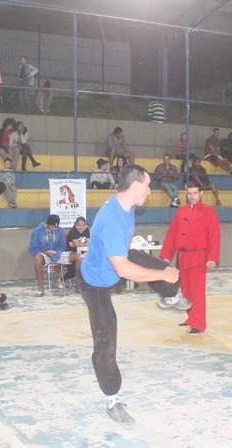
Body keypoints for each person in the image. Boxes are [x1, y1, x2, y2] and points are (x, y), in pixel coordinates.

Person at [79, 164, 189, 425]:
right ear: (136, 185)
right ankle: (112, 399)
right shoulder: (112, 219)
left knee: (164, 268)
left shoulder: (126, 208)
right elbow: (125, 269)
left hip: (115, 263)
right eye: (148, 185)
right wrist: (161, 276)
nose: (150, 191)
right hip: (95, 283)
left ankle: (170, 297)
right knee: (106, 339)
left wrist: (162, 274)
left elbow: (124, 254)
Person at [159, 181, 221, 335]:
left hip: (199, 257)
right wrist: (166, 255)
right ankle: (191, 318)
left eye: (195, 193)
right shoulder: (181, 211)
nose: (192, 196)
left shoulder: (208, 212)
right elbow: (172, 234)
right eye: (189, 193)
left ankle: (199, 324)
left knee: (197, 292)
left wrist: (212, 257)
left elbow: (215, 236)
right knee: (186, 291)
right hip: (183, 257)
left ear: (201, 194)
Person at [29, 214, 66, 296]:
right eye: (52, 226)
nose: (54, 229)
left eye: (55, 227)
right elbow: (32, 248)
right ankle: (41, 289)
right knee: (38, 258)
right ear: (47, 224)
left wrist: (56, 252)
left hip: (56, 253)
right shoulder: (37, 231)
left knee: (75, 256)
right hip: (43, 254)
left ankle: (61, 280)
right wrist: (45, 252)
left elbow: (62, 246)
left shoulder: (59, 230)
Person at [65, 216, 90, 290]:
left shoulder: (87, 230)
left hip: (84, 252)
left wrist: (79, 243)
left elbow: (90, 242)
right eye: (79, 225)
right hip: (71, 253)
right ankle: (78, 285)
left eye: (83, 225)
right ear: (75, 225)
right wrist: (81, 243)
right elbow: (76, 245)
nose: (81, 227)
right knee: (81, 260)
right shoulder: (72, 231)